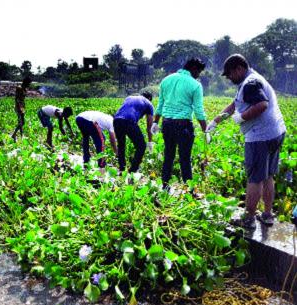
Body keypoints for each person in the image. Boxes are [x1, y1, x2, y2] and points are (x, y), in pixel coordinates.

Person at [206, 54, 286, 229]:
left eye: (229, 74)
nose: (228, 78)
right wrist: (216, 121)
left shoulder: (250, 83)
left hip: (260, 136)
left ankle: (249, 219)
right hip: (275, 133)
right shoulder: (250, 80)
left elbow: (262, 105)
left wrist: (241, 118)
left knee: (255, 178)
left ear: (239, 69)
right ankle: (267, 214)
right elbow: (235, 104)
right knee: (268, 176)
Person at [153, 58, 207, 190]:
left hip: (167, 124)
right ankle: (189, 191)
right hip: (183, 125)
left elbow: (160, 105)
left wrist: (155, 122)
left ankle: (164, 187)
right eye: (198, 71)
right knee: (185, 158)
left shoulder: (166, 80)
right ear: (193, 68)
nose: (198, 75)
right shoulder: (195, 85)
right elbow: (199, 110)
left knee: (168, 156)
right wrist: (205, 130)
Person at [113, 91, 154, 173]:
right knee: (141, 146)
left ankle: (122, 168)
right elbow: (149, 127)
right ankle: (133, 170)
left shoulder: (129, 97)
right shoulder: (149, 104)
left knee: (121, 145)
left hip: (116, 119)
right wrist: (150, 142)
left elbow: (127, 110)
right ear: (149, 99)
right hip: (129, 121)